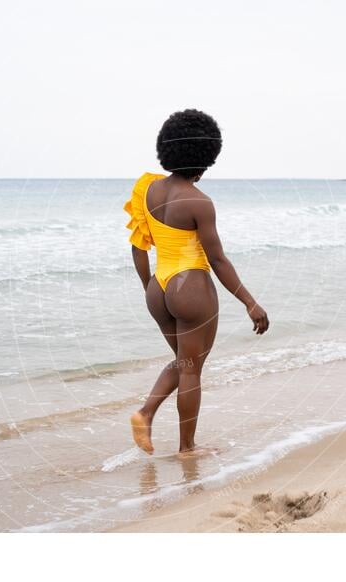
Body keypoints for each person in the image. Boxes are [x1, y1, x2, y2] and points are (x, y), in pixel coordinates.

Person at [124, 108, 269, 457]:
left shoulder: (146, 189)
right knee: (192, 370)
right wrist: (250, 302)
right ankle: (186, 447)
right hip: (190, 286)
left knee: (183, 363)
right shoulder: (200, 203)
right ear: (206, 157)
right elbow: (217, 260)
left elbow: (137, 245)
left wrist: (148, 287)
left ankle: (145, 414)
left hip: (158, 287)